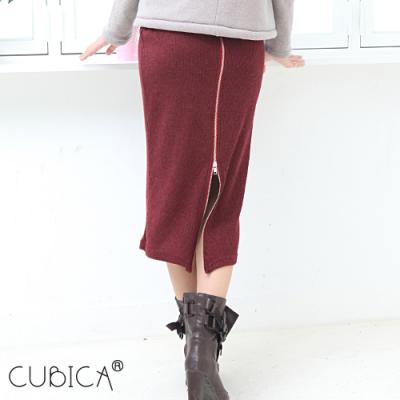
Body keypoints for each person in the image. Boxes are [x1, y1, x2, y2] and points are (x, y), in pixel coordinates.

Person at [80, 1, 305, 398]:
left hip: (167, 40)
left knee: (174, 192)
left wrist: (116, 31)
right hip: (238, 43)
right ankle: (201, 360)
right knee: (221, 199)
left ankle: (195, 351)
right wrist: (279, 46)